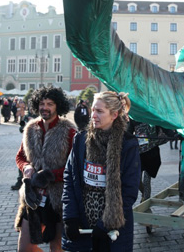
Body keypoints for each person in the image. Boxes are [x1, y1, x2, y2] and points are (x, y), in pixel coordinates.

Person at [61, 91, 140, 252]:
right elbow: (69, 178)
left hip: (114, 228)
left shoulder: (128, 144)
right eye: (93, 110)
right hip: (82, 224)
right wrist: (70, 217)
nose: (93, 115)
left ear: (114, 114)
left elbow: (129, 190)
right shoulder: (81, 139)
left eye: (100, 111)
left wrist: (106, 224)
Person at [14, 86, 77, 251]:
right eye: (42, 103)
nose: (45, 107)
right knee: (25, 247)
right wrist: (26, 167)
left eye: (50, 104)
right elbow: (20, 157)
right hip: (34, 197)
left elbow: (74, 167)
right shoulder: (30, 128)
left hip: (59, 198)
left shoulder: (69, 131)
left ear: (58, 106)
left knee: (56, 247)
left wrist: (50, 175)